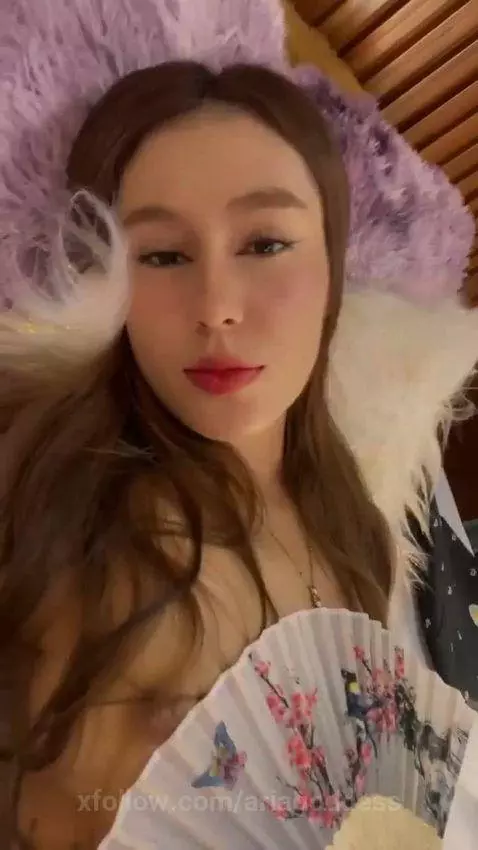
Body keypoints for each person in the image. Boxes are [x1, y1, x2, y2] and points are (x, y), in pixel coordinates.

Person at [1, 18, 478, 850]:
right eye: (162, 255)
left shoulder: (359, 522)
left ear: (331, 268)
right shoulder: (74, 518)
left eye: (264, 243)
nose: (217, 305)